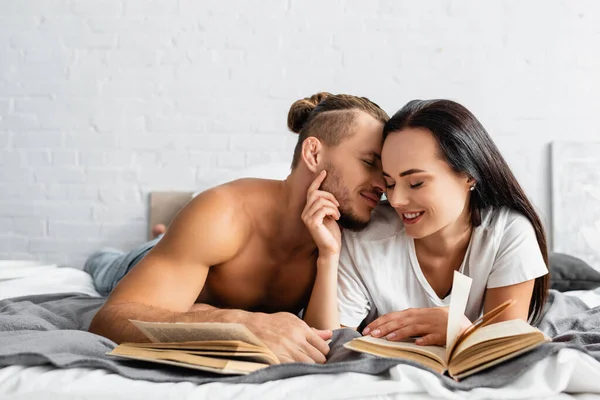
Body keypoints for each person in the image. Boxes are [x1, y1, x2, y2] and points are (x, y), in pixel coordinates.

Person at [86, 92, 389, 364]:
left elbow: (320, 338)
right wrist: (243, 325)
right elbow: (110, 319)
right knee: (105, 265)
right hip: (145, 263)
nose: (382, 185)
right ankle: (140, 245)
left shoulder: (348, 230)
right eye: (368, 162)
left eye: (385, 172)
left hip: (187, 262)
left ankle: (164, 237)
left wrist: (327, 257)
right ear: (313, 154)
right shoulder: (222, 214)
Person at [306, 99, 549, 347]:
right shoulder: (365, 239)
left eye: (416, 183)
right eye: (389, 184)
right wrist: (328, 255)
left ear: (468, 175)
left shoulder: (508, 233)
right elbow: (324, 341)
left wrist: (461, 331)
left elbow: (506, 345)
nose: (396, 200)